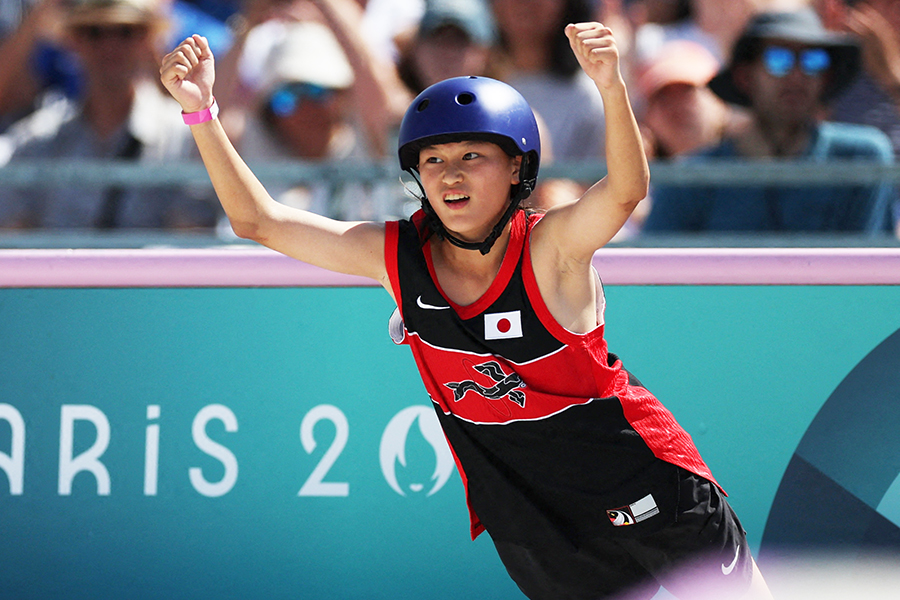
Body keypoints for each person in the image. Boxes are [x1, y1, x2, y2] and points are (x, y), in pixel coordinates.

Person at [160, 21, 773, 599]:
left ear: (516, 167)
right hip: (537, 516)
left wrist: (611, 85)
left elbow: (625, 191)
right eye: (433, 161)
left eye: (471, 157)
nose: (450, 175)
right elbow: (258, 221)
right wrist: (200, 111)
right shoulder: (394, 256)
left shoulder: (550, 249)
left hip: (649, 486)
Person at [643, 7, 895, 235]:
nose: (797, 75)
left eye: (812, 61)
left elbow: (863, 277)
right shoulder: (690, 181)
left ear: (825, 78)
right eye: (779, 60)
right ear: (745, 77)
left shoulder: (861, 159)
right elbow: (652, 280)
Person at [0, 0, 217, 229]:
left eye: (126, 32)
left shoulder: (186, 137)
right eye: (94, 32)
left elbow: (191, 237)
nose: (110, 46)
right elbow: (14, 236)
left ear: (149, 40)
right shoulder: (35, 140)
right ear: (72, 41)